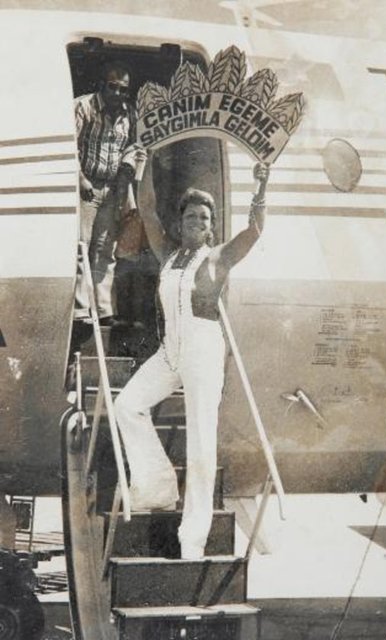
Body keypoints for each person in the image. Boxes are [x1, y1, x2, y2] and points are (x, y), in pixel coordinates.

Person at [114, 156, 269, 560]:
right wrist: (147, 157)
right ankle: (158, 485)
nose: (197, 222)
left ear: (211, 226)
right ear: (180, 223)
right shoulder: (168, 253)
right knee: (126, 406)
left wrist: (260, 187)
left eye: (204, 217)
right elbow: (148, 208)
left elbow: (254, 231)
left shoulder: (218, 258)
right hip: (170, 350)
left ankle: (193, 538)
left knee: (201, 445)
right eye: (191, 216)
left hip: (203, 350)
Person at [74, 60, 143, 325]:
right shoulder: (84, 107)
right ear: (102, 85)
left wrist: (125, 173)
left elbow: (132, 147)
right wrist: (81, 179)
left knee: (105, 250)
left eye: (123, 89)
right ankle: (81, 310)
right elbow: (70, 146)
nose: (117, 93)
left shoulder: (129, 113)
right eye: (113, 87)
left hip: (112, 187)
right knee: (82, 245)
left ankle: (103, 311)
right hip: (86, 186)